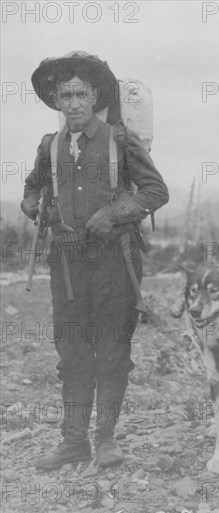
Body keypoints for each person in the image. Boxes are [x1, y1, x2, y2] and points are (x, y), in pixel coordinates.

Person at [21, 51, 169, 471]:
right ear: (56, 100)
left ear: (95, 97)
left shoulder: (120, 141)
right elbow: (32, 188)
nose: (73, 103)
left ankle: (105, 440)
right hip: (66, 266)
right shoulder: (49, 146)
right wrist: (35, 207)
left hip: (114, 265)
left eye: (81, 94)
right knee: (71, 354)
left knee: (111, 350)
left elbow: (156, 191)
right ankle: (73, 443)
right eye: (65, 95)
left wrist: (115, 213)